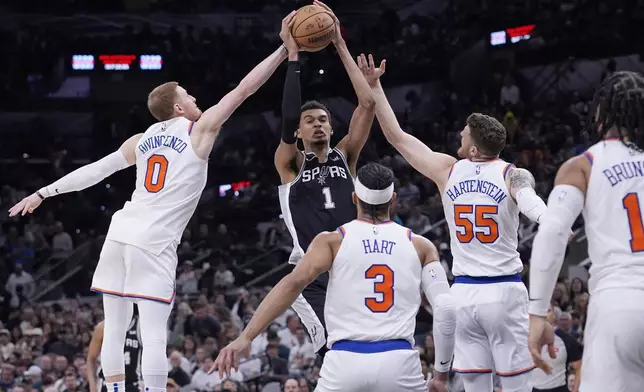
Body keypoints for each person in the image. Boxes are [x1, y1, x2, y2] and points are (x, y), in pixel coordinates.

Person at [8, 12, 299, 392]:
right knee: (153, 331)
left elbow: (94, 171)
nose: (195, 99)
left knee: (114, 326)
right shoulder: (200, 130)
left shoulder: (141, 139)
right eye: (189, 96)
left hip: (120, 231)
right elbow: (244, 90)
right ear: (178, 108)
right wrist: (284, 49)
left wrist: (43, 192)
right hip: (154, 240)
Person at [359, 55, 550, 392]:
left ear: (474, 149)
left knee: (475, 385)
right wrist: (552, 221)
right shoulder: (512, 174)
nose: (458, 136)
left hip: (463, 293)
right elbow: (530, 202)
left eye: (464, 135)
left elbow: (397, 138)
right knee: (517, 386)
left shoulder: (447, 171)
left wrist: (376, 87)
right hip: (504, 293)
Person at [212, 163, 456, 392]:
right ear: (393, 201)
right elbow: (445, 308)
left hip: (344, 363)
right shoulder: (421, 246)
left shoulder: (332, 241)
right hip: (399, 362)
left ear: (354, 198)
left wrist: (246, 337)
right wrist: (441, 374)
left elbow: (291, 284)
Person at [528, 71, 644, 392]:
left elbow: (552, 233)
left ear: (598, 114)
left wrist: (538, 312)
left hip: (618, 304)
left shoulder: (583, 165)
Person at [275, 1, 376, 354]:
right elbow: (288, 118)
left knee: (365, 344)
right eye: (310, 120)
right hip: (311, 273)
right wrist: (292, 57)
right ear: (299, 133)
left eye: (323, 119)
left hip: (353, 261)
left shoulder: (345, 156)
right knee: (335, 347)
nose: (317, 123)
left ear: (332, 126)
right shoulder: (290, 164)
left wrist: (340, 45)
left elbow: (367, 105)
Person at [87, 308, 142, 392]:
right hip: (107, 384)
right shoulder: (102, 327)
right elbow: (91, 359)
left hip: (133, 383)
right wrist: (92, 385)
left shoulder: (140, 325)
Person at [531, 305, 582, 392]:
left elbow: (579, 368)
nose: (543, 314)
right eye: (539, 311)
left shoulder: (567, 340)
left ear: (554, 314)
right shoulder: (524, 339)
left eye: (547, 311)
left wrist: (575, 390)